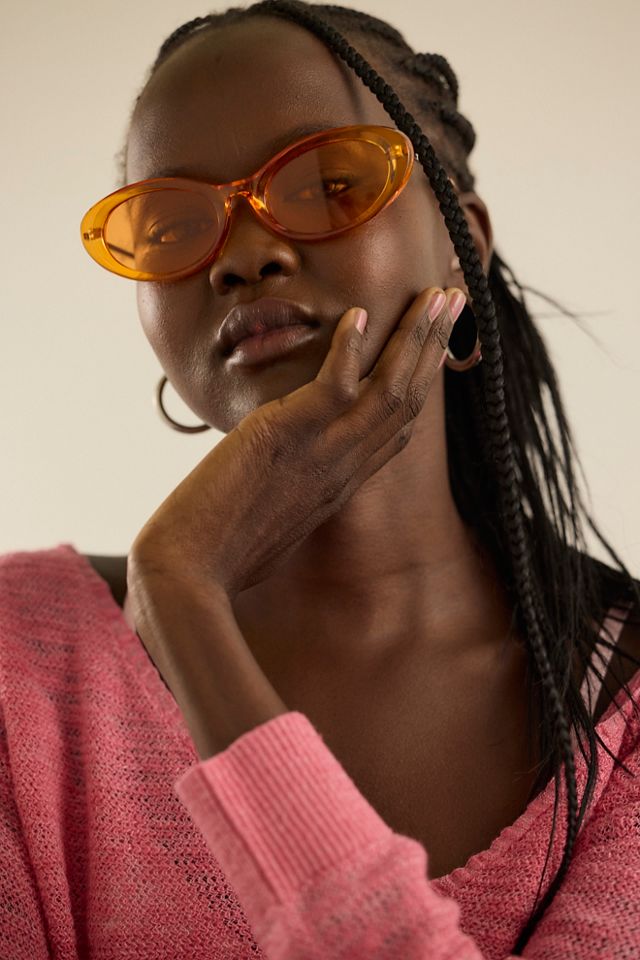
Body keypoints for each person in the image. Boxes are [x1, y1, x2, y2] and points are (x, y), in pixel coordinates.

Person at [2, 1, 639, 956]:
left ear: (462, 239)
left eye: (331, 185)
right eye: (173, 225)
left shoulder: (623, 707)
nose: (242, 256)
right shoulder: (18, 662)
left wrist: (180, 597)